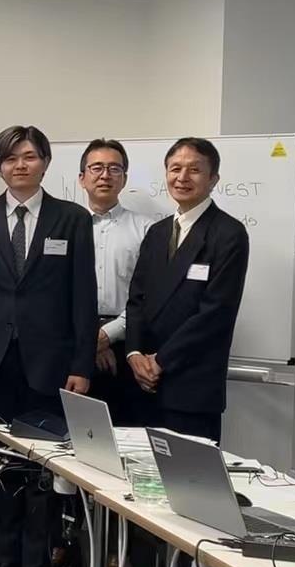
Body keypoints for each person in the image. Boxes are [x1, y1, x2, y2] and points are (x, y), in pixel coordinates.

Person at [0, 124, 95, 567]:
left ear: (45, 163)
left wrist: (82, 363)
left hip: (50, 364)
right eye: (10, 158)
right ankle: (5, 563)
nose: (20, 165)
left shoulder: (72, 219)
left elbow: (83, 296)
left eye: (30, 156)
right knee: (2, 467)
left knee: (42, 471)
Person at [126, 138, 249, 442]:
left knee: (190, 473)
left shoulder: (229, 233)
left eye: (194, 170)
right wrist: (134, 353)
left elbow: (215, 314)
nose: (182, 177)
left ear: (213, 179)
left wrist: (160, 361)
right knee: (140, 469)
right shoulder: (157, 233)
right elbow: (137, 299)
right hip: (143, 384)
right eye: (175, 168)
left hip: (191, 387)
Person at [78, 139, 156, 427]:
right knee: (79, 437)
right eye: (96, 168)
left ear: (124, 178)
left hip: (129, 346)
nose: (105, 175)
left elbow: (149, 295)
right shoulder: (65, 226)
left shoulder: (147, 229)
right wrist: (90, 340)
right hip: (74, 347)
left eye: (114, 169)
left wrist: (106, 336)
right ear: (82, 178)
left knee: (126, 434)